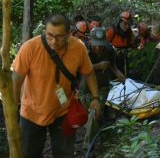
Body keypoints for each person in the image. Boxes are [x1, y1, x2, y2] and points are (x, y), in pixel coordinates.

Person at [12, 14, 101, 158]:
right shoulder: (30, 48)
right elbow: (16, 81)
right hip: (32, 112)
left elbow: (89, 72)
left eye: (59, 36)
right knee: (28, 154)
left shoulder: (78, 47)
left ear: (68, 33)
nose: (53, 41)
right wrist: (14, 111)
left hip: (63, 111)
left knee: (64, 153)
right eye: (49, 35)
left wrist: (96, 98)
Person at [80, 27, 125, 150]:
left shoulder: (109, 49)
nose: (98, 48)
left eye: (101, 45)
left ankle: (88, 147)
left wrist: (117, 73)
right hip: (86, 90)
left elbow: (113, 65)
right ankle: (104, 136)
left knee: (95, 112)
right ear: (90, 40)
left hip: (103, 87)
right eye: (95, 45)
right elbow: (79, 70)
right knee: (96, 115)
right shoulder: (83, 50)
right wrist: (98, 66)